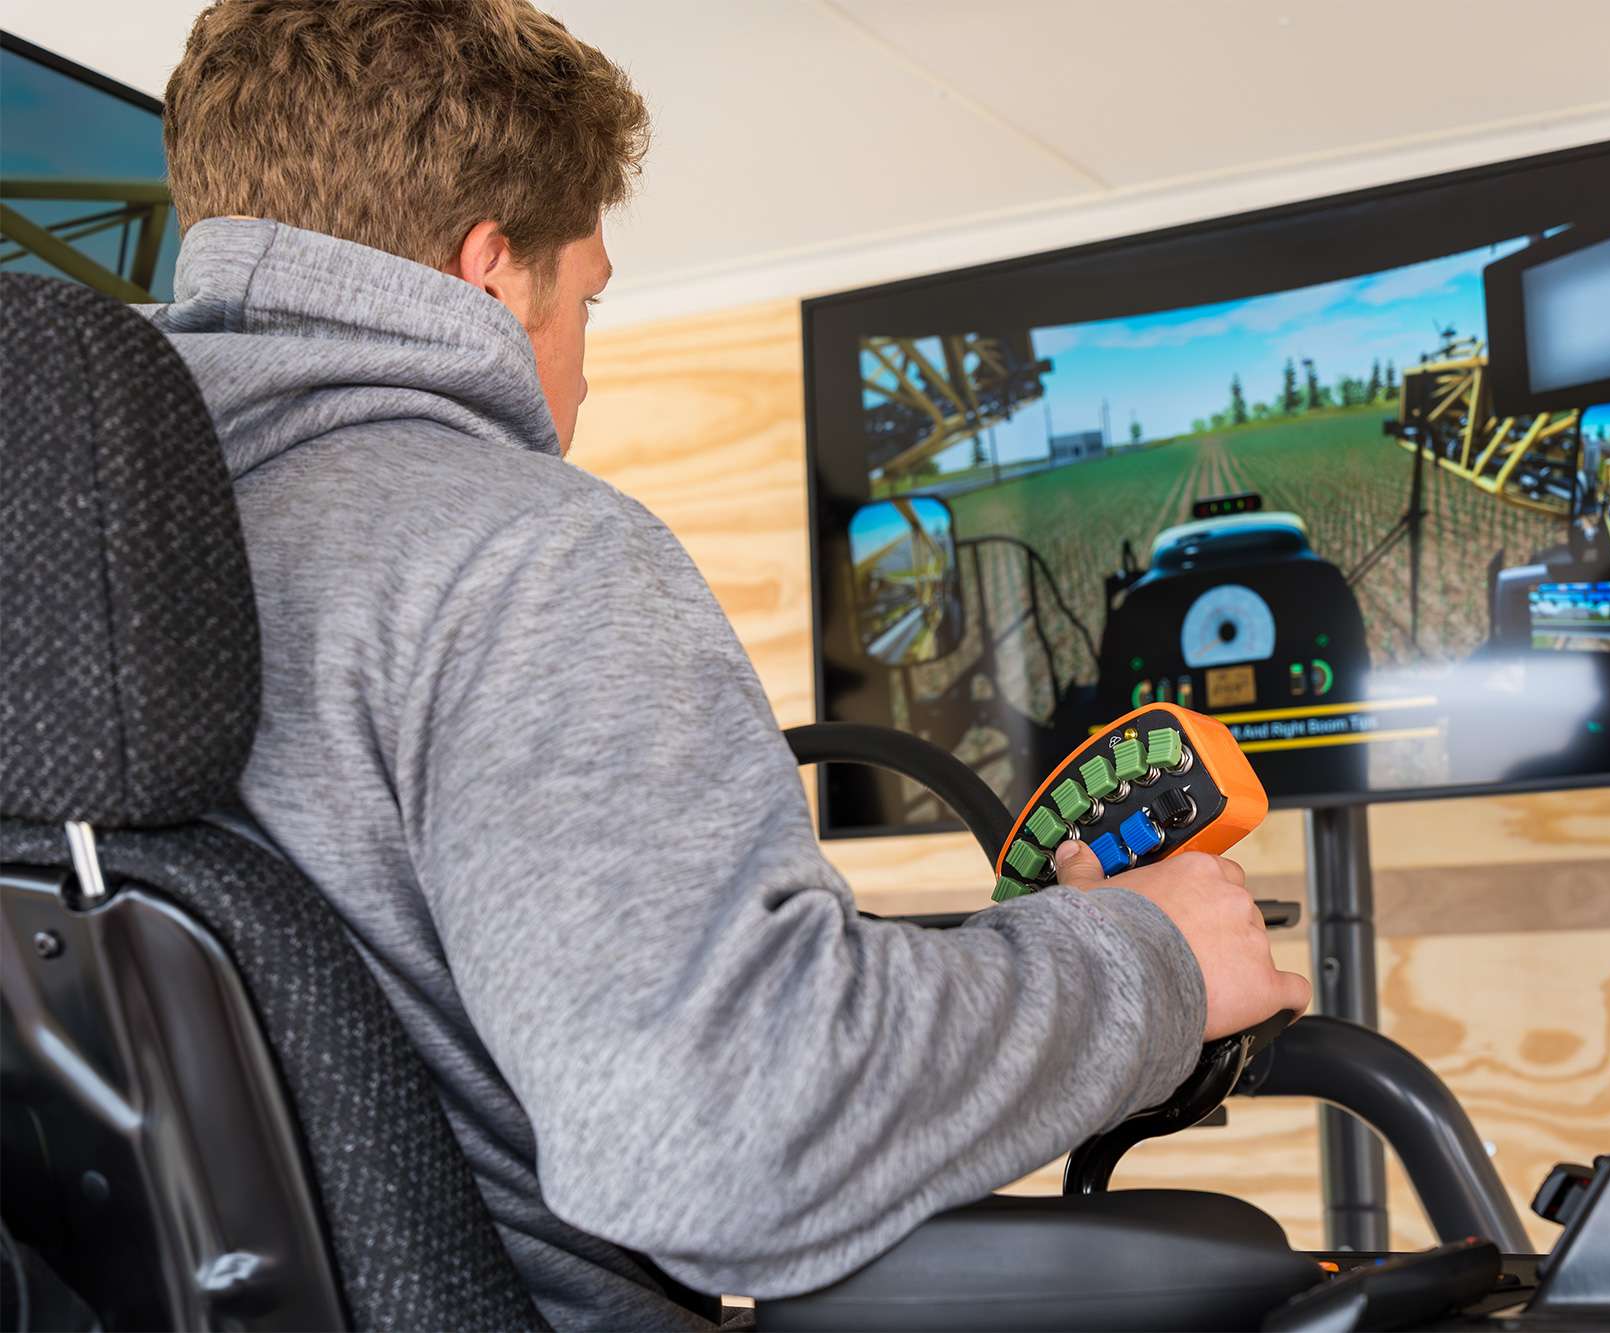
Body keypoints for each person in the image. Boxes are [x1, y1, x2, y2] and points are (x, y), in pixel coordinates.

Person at [150, 2, 1311, 1327]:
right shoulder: (525, 556)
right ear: (487, 272)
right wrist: (1148, 963)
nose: (574, 385)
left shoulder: (105, 563)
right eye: (584, 298)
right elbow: (717, 1136)